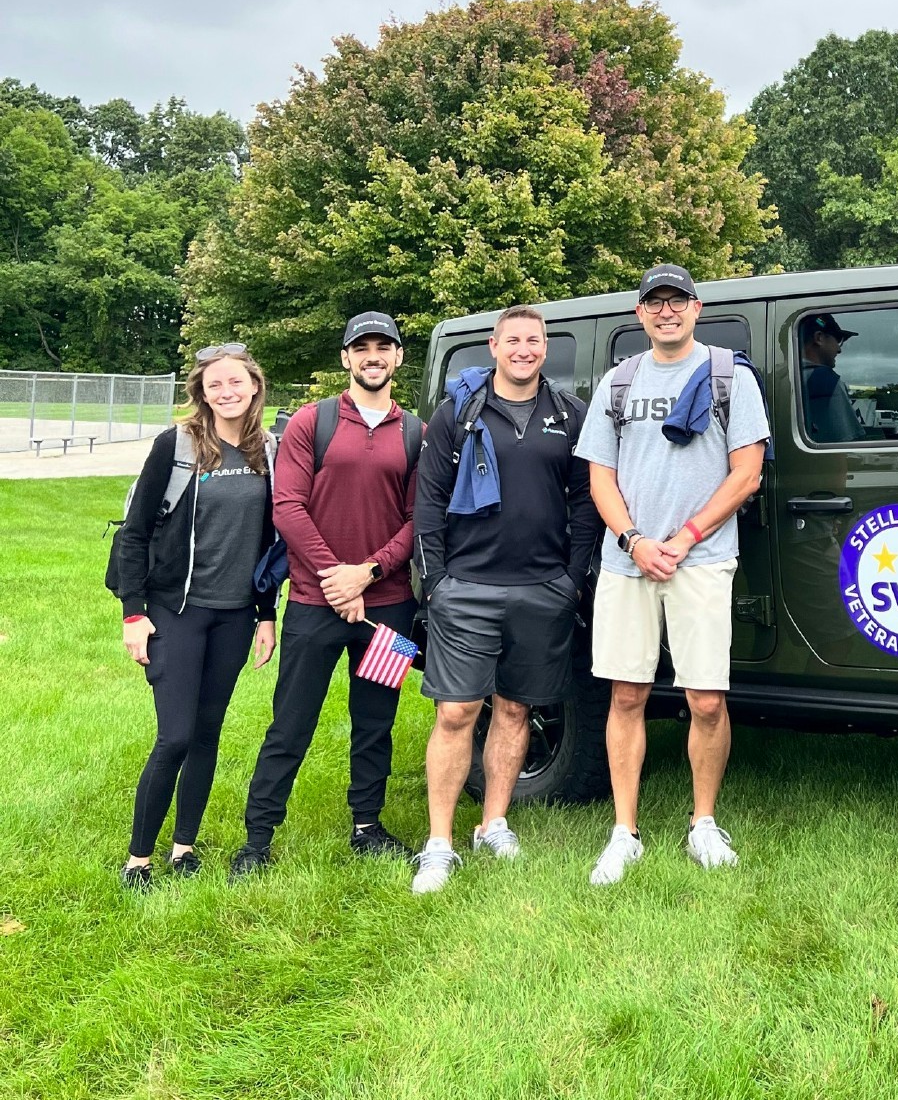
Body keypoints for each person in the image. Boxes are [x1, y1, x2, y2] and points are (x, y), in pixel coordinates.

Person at [575, 264, 770, 885]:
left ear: (697, 307)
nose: (666, 311)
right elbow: (599, 476)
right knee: (626, 694)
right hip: (627, 561)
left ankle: (703, 823)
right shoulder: (618, 381)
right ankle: (624, 831)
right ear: (640, 314)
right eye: (654, 303)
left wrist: (683, 538)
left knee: (706, 699)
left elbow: (747, 473)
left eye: (677, 301)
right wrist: (634, 541)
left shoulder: (728, 376)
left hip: (702, 557)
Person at [408, 305, 601, 894]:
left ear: (546, 348)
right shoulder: (457, 414)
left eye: (534, 340)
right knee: (456, 712)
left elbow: (585, 501)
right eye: (513, 339)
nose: (524, 349)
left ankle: (493, 822)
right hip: (466, 590)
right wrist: (437, 582)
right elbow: (429, 500)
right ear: (493, 346)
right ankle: (438, 844)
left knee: (516, 710)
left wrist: (569, 578)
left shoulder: (569, 414)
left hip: (542, 591)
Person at [230, 313, 421, 878]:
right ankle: (258, 837)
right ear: (346, 358)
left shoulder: (416, 431)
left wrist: (368, 572)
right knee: (290, 722)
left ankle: (368, 825)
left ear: (398, 358)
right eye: (361, 348)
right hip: (314, 605)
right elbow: (287, 507)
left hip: (389, 607)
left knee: (376, 721)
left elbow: (419, 520)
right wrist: (336, 578)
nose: (372, 356)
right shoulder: (310, 424)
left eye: (383, 347)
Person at [113, 345, 279, 889]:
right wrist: (133, 614)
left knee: (208, 731)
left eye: (236, 381)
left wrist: (264, 613)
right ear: (202, 393)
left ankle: (184, 848)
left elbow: (266, 541)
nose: (227, 392)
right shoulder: (178, 446)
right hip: (177, 611)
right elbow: (135, 532)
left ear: (254, 385)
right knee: (176, 735)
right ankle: (139, 860)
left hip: (234, 616)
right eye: (215, 385)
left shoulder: (267, 452)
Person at [800, 313, 864, 442]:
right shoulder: (826, 380)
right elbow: (846, 445)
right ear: (819, 338)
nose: (839, 349)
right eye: (838, 340)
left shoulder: (782, 380)